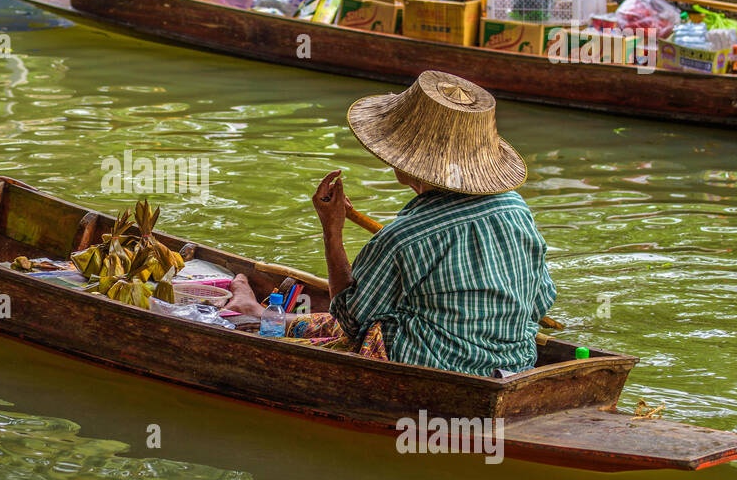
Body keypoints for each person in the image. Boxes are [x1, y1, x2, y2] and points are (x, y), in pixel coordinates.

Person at [224, 70, 555, 377]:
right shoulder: (516, 207)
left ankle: (256, 316)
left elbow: (350, 321)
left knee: (363, 329)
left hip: (431, 372)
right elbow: (540, 300)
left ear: (407, 160)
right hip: (514, 365)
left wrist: (332, 230)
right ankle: (258, 314)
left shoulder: (403, 239)